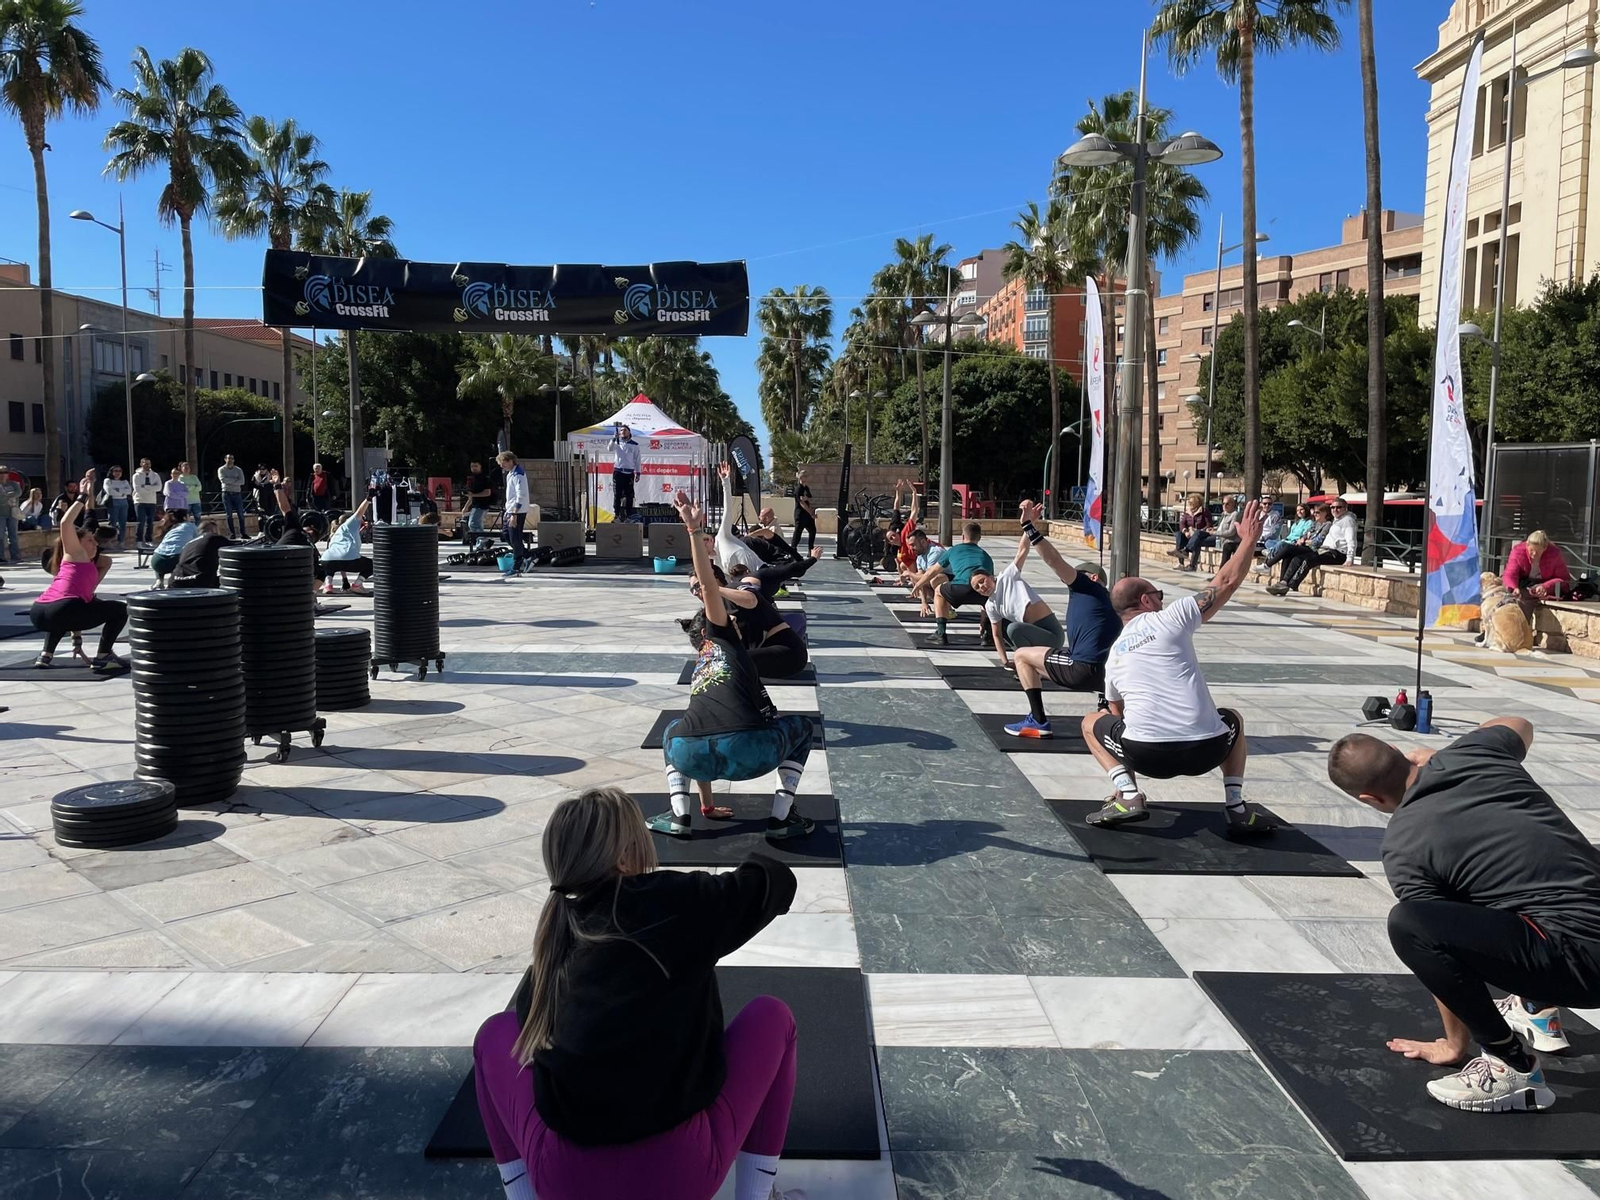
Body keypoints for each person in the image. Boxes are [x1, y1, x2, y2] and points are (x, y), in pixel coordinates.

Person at [471, 787, 805, 1200]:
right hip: (681, 1175)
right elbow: (776, 882)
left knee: (493, 1034)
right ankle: (755, 1196)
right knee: (773, 1017)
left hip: (563, 1181)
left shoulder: (555, 938)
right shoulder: (679, 903)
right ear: (626, 855)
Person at [1325, 717, 1600, 1114]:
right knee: (1509, 884)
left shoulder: (1404, 848)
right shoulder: (1475, 752)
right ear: (1403, 754)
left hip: (1585, 970)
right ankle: (1534, 1008)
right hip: (1577, 930)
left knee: (1411, 923)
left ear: (1369, 799)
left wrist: (1456, 1045)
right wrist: (1446, 753)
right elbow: (1519, 723)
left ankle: (1510, 1064)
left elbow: (1438, 949)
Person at [1081, 499, 1277, 834]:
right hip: (1208, 749)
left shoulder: (1114, 655)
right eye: (1157, 593)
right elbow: (1225, 582)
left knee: (1091, 721)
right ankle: (1236, 806)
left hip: (1147, 757)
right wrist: (1248, 540)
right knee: (1233, 719)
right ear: (1146, 601)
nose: (1162, 598)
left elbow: (1117, 715)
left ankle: (1128, 795)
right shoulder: (1171, 617)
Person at [656, 489, 815, 841]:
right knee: (803, 727)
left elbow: (702, 729)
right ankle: (781, 818)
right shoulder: (727, 639)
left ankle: (681, 814)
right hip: (750, 755)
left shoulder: (702, 663)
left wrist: (708, 803)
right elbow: (712, 590)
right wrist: (694, 532)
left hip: (691, 754)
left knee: (676, 730)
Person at [1004, 502, 1118, 738]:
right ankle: (1105, 706)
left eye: (1079, 574)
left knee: (1022, 656)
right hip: (1107, 676)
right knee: (1042, 660)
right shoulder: (1112, 604)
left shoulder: (1087, 588)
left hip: (1082, 669)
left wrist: (1028, 526)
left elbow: (1054, 561)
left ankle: (1037, 720)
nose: (1072, 578)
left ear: (1093, 577)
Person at [30, 500, 128, 673]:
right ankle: (104, 656)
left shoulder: (77, 566)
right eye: (90, 540)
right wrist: (82, 498)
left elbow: (79, 607)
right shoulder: (75, 554)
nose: (95, 544)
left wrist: (77, 640)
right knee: (121, 609)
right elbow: (65, 523)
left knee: (68, 613)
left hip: (40, 611)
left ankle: (46, 654)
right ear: (76, 543)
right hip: (62, 608)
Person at [971, 525, 1065, 667]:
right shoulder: (991, 605)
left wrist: (1028, 524)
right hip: (1031, 632)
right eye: (977, 587)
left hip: (1051, 634)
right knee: (1001, 627)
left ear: (991, 577)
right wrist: (1004, 661)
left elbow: (1022, 551)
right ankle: (1027, 661)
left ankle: (1031, 665)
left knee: (1013, 628)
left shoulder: (1007, 577)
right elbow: (996, 635)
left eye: (982, 581)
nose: (982, 587)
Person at [1267, 498, 1357, 595]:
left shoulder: (1348, 521)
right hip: (1326, 550)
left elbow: (1351, 540)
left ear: (1345, 508)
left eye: (1338, 507)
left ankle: (1289, 585)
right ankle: (1283, 582)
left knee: (1308, 560)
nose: (1335, 509)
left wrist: (1349, 558)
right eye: (1333, 507)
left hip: (1337, 553)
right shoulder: (1338, 520)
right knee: (1297, 558)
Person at [930, 521, 995, 646]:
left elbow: (932, 571)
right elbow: (990, 585)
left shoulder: (954, 550)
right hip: (979, 593)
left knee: (938, 591)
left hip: (959, 588)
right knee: (988, 594)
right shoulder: (985, 556)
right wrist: (982, 621)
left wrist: (918, 585)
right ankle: (986, 634)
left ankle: (941, 632)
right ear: (979, 538)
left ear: (963, 537)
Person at [1503, 529, 1571, 618]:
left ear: (1545, 548)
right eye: (1531, 550)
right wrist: (1513, 587)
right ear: (1527, 545)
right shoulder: (1518, 551)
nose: (1534, 554)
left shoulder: (1554, 554)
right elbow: (1510, 574)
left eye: (1538, 551)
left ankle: (1523, 626)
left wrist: (1545, 586)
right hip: (1524, 583)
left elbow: (1563, 578)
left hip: (1544, 585)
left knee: (1525, 599)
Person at [317, 496, 374, 594]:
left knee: (331, 566)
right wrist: (368, 499)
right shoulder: (349, 524)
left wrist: (345, 581)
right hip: (346, 559)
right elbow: (359, 512)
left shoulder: (336, 535)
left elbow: (340, 561)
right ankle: (357, 584)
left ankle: (328, 585)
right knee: (372, 564)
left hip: (326, 560)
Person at [1256, 502, 1314, 578]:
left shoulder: (1309, 522)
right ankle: (1272, 551)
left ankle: (1270, 556)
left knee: (1282, 546)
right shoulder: (1297, 522)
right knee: (1269, 542)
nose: (1299, 512)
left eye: (1301, 510)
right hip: (1286, 540)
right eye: (1297, 510)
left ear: (1306, 510)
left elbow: (1303, 536)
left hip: (1293, 543)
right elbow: (1290, 535)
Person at [169, 520, 233, 589]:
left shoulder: (189, 544)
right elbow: (234, 549)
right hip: (199, 581)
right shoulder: (213, 538)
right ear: (213, 530)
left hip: (175, 581)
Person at [498, 451, 532, 576]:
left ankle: (516, 565)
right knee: (506, 535)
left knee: (515, 538)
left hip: (517, 510)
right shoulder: (510, 474)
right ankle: (528, 555)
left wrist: (514, 514)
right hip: (510, 509)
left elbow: (521, 495)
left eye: (503, 463)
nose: (502, 466)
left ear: (510, 461)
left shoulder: (519, 474)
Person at [149, 510, 198, 583]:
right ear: (185, 518)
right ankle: (176, 580)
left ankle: (159, 580)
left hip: (156, 561)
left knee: (163, 554)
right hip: (175, 560)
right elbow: (198, 541)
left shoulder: (170, 528)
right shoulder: (190, 526)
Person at [609, 423, 641, 521]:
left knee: (629, 495)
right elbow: (609, 449)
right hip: (618, 472)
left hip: (629, 474)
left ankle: (628, 516)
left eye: (625, 430)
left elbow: (637, 459)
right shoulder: (617, 443)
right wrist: (614, 438)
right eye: (621, 430)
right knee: (617, 494)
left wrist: (638, 472)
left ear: (629, 432)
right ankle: (617, 515)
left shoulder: (635, 445)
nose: (623, 432)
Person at [1171, 494, 1213, 569]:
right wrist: (1185, 531)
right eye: (1189, 502)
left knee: (1197, 538)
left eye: (1191, 502)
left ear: (1197, 502)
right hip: (1190, 533)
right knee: (1179, 534)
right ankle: (1181, 561)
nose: (1189, 504)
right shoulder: (1187, 512)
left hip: (1201, 533)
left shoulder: (1204, 511)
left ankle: (1187, 552)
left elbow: (1209, 524)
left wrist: (1198, 530)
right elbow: (1182, 523)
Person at [99, 465, 133, 549]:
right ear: (112, 472)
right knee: (112, 522)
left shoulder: (124, 481)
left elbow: (129, 491)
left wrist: (119, 491)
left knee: (122, 523)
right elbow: (110, 491)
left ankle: (121, 541)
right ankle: (109, 542)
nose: (118, 473)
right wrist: (122, 492)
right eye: (116, 471)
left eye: (119, 471)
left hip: (124, 502)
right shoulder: (108, 480)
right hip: (113, 502)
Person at [131, 458, 161, 543]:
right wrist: (151, 488)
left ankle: (149, 540)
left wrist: (146, 487)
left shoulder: (155, 475)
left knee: (150, 522)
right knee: (141, 522)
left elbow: (159, 487)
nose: (147, 465)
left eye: (149, 463)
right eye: (145, 463)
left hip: (151, 501)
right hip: (140, 501)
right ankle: (139, 541)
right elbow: (138, 489)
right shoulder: (136, 475)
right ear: (141, 464)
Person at [218, 454, 248, 538]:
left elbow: (242, 482)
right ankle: (232, 533)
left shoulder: (238, 470)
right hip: (226, 494)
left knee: (241, 514)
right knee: (229, 514)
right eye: (228, 458)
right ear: (225, 459)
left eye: (232, 458)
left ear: (234, 460)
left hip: (237, 494)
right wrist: (235, 480)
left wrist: (230, 481)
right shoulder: (221, 469)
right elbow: (223, 480)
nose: (230, 460)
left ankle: (243, 533)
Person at [464, 460, 494, 538]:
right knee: (476, 524)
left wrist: (473, 495)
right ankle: (481, 544)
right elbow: (471, 495)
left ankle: (484, 540)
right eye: (472, 466)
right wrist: (466, 506)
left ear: (480, 467)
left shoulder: (484, 478)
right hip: (475, 505)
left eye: (476, 466)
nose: (474, 468)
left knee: (473, 524)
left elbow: (487, 492)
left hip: (482, 505)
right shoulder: (472, 479)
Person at [1211, 495, 1242, 568]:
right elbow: (1221, 527)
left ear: (1232, 504)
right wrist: (1213, 529)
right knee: (1200, 535)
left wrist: (1215, 533)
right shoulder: (1223, 514)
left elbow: (1231, 532)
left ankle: (1220, 575)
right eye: (1223, 503)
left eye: (1227, 504)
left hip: (1230, 541)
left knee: (1227, 547)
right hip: (1219, 539)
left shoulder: (1235, 514)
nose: (1225, 505)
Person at [791, 469, 816, 553]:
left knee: (812, 531)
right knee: (798, 532)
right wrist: (811, 512)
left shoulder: (806, 488)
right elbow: (802, 502)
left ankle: (810, 549)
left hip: (807, 514)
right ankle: (793, 550)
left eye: (806, 476)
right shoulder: (799, 488)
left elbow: (809, 498)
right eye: (803, 476)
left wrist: (807, 499)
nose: (805, 477)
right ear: (800, 477)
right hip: (800, 514)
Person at [0, 466, 18, 565]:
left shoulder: (14, 484)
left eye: (5, 472)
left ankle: (16, 556)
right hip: (0, 514)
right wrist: (8, 495)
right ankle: (1, 557)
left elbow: (18, 492)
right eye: (0, 473)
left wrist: (5, 496)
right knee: (0, 536)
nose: (3, 475)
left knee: (13, 535)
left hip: (12, 513)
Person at [252, 465, 276, 534]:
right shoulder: (255, 476)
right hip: (259, 498)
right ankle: (261, 531)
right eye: (260, 469)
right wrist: (261, 485)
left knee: (270, 515)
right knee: (261, 516)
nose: (262, 470)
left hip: (270, 498)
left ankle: (271, 531)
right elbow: (253, 485)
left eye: (263, 469)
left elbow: (272, 485)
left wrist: (265, 485)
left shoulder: (270, 476)